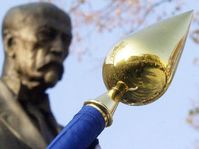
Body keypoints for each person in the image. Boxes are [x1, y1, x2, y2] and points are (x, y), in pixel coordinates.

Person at [0, 2, 99, 149]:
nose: (59, 49)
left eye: (65, 41)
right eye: (45, 35)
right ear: (11, 43)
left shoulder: (74, 137)